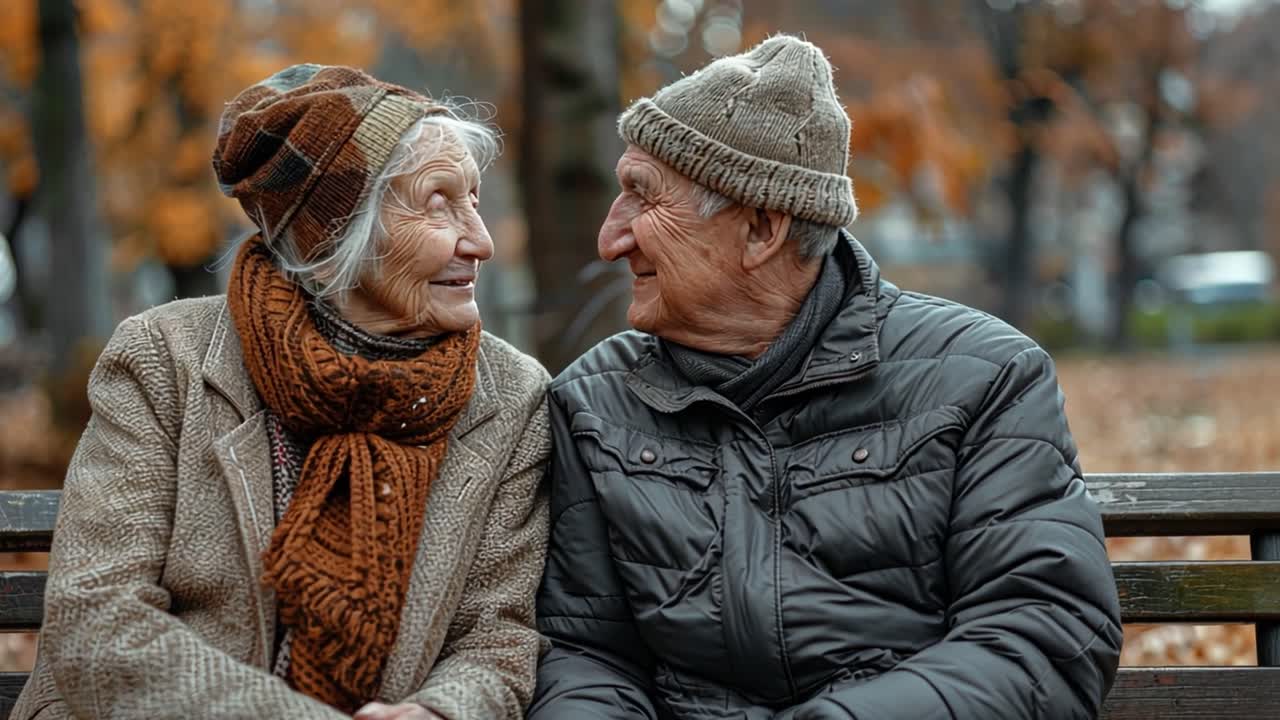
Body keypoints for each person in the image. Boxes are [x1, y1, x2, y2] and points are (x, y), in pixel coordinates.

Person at [529, 35, 1122, 720]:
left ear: (760, 228)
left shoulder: (984, 377)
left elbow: (1043, 638)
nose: (611, 238)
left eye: (643, 199)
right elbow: (584, 652)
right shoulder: (594, 403)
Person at [12, 64, 550, 720]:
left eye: (474, 199)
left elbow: (497, 634)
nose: (482, 240)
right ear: (332, 239)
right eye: (439, 203)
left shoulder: (513, 396)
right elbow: (99, 622)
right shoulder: (165, 359)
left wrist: (443, 710)